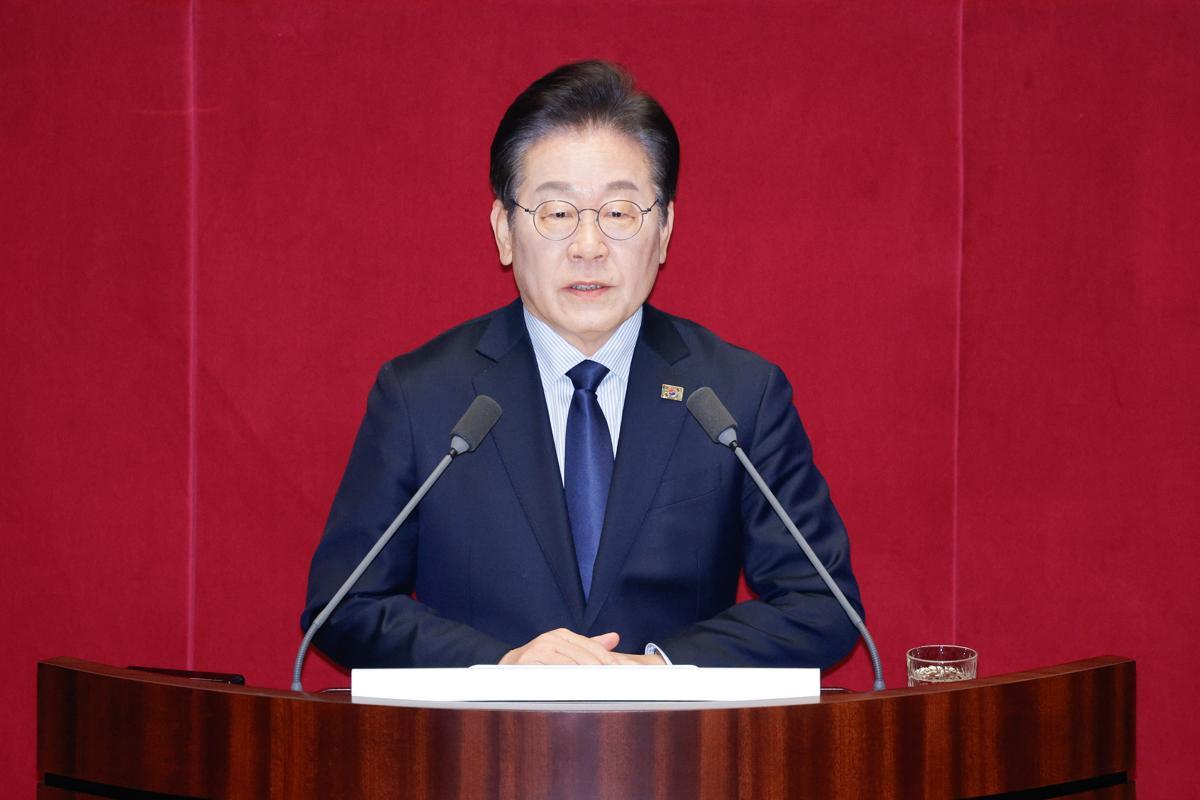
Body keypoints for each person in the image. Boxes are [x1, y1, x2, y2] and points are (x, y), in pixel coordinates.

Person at [301, 60, 864, 669]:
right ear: (504, 231)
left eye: (619, 213)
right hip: (479, 730)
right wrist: (501, 668)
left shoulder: (736, 396)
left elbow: (822, 606)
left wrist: (661, 670)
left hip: (680, 731)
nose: (588, 246)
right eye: (557, 212)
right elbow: (344, 605)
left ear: (665, 229)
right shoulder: (422, 397)